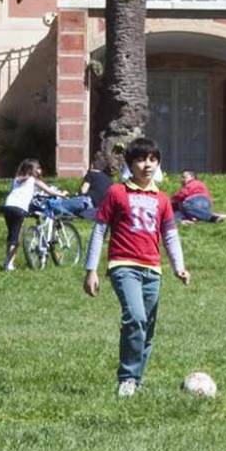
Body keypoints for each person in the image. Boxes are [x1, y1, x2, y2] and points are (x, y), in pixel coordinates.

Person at [83, 137, 189, 397]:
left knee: (147, 326)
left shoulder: (162, 199)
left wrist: (179, 266)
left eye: (153, 159)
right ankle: (127, 378)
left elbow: (170, 235)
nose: (147, 165)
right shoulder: (117, 193)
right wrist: (91, 270)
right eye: (141, 159)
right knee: (136, 318)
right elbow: (99, 231)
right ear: (131, 164)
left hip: (153, 269)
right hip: (123, 265)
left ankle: (137, 380)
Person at [1, 159, 64, 271]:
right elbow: (49, 191)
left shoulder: (16, 179)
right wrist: (62, 194)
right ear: (33, 170)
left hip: (7, 206)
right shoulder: (33, 179)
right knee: (16, 238)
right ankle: (8, 264)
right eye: (38, 168)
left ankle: (8, 261)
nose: (39, 170)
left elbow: (13, 192)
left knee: (11, 235)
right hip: (19, 208)